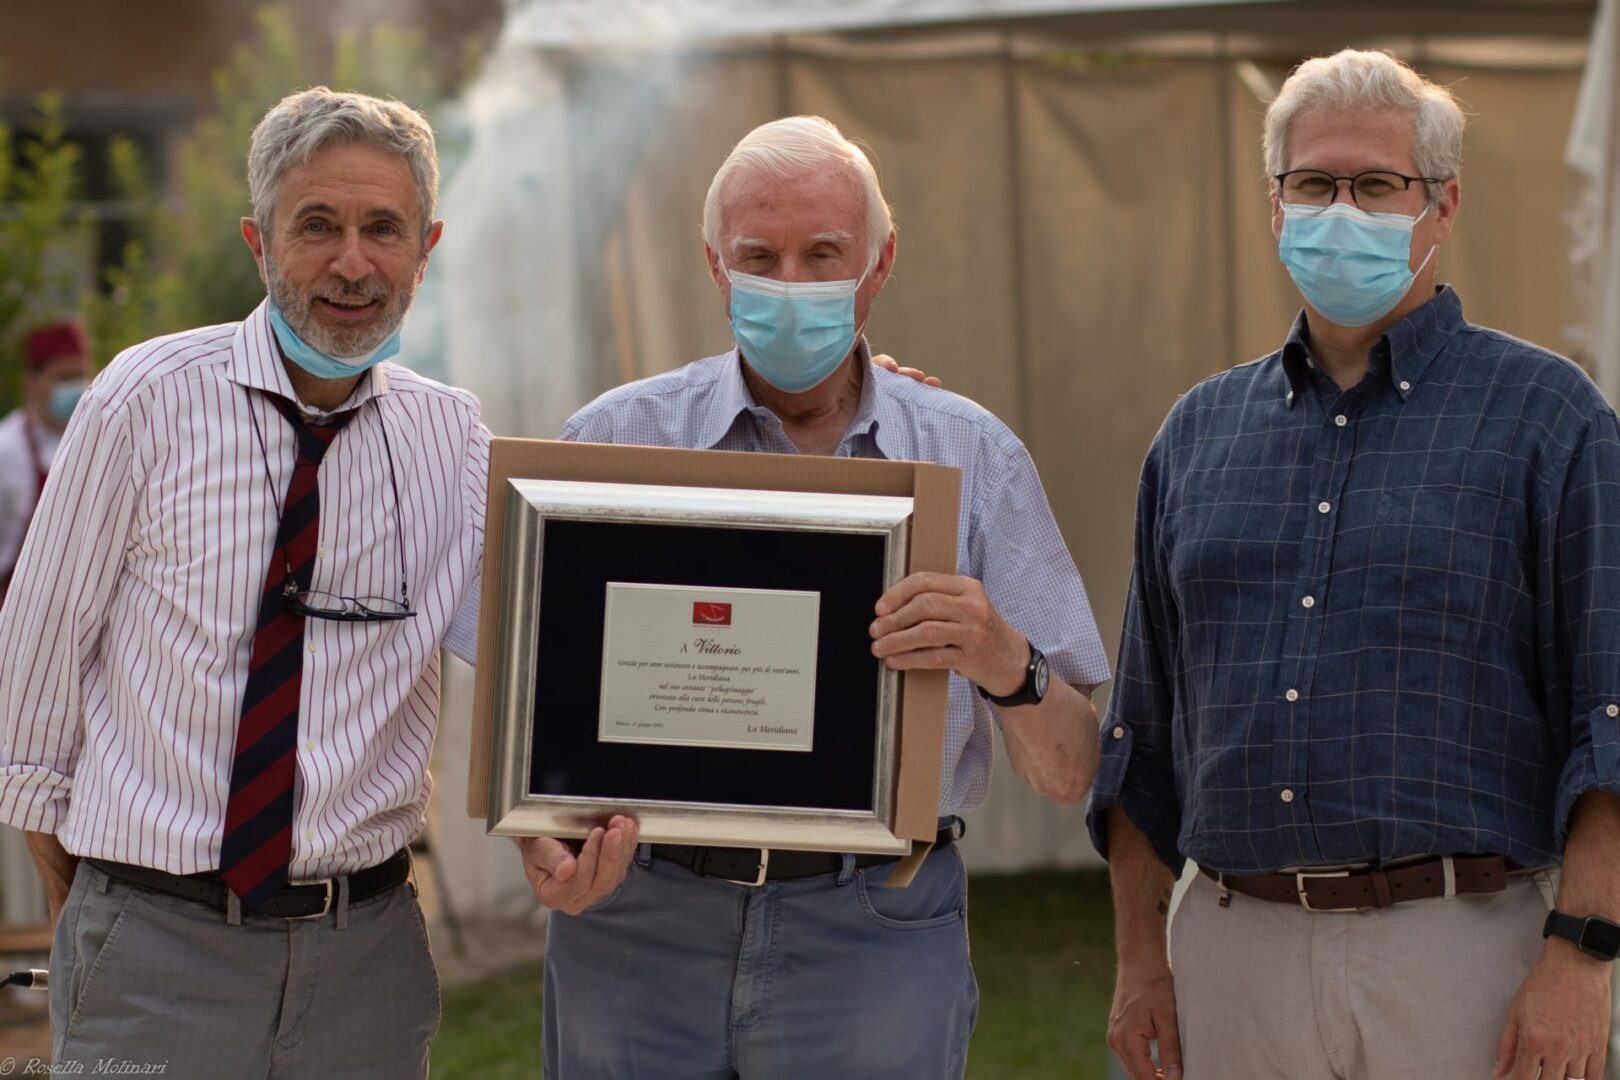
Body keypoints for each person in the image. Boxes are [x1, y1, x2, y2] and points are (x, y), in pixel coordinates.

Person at [511, 114, 1111, 1080]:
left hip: (875, 925)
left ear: (880, 263)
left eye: (823, 253)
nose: (790, 284)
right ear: (714, 264)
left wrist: (1004, 658)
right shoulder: (614, 443)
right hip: (639, 919)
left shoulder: (972, 456)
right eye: (760, 255)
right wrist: (537, 833)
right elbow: (536, 712)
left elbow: (1073, 769)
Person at [1090, 48, 1619, 1080]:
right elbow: (1141, 736)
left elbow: (1610, 714)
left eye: (1377, 185)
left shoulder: (1550, 420)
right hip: (1233, 955)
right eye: (1314, 183)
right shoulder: (1197, 436)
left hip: (1463, 953)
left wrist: (1585, 955)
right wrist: (1138, 959)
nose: (1343, 208)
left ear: (1443, 206)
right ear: (1275, 204)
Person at [0, 87, 489, 1078]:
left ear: (426, 249)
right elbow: (36, 661)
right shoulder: (144, 400)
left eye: (382, 229)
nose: (353, 262)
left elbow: (544, 644)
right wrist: (121, 898)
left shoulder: (455, 439)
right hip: (157, 945)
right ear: (259, 243)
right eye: (317, 225)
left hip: (369, 960)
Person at [0, 319, 91, 608]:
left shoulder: (93, 439)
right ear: (33, 382)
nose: (74, 388)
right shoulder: (8, 451)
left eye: (80, 376)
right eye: (63, 378)